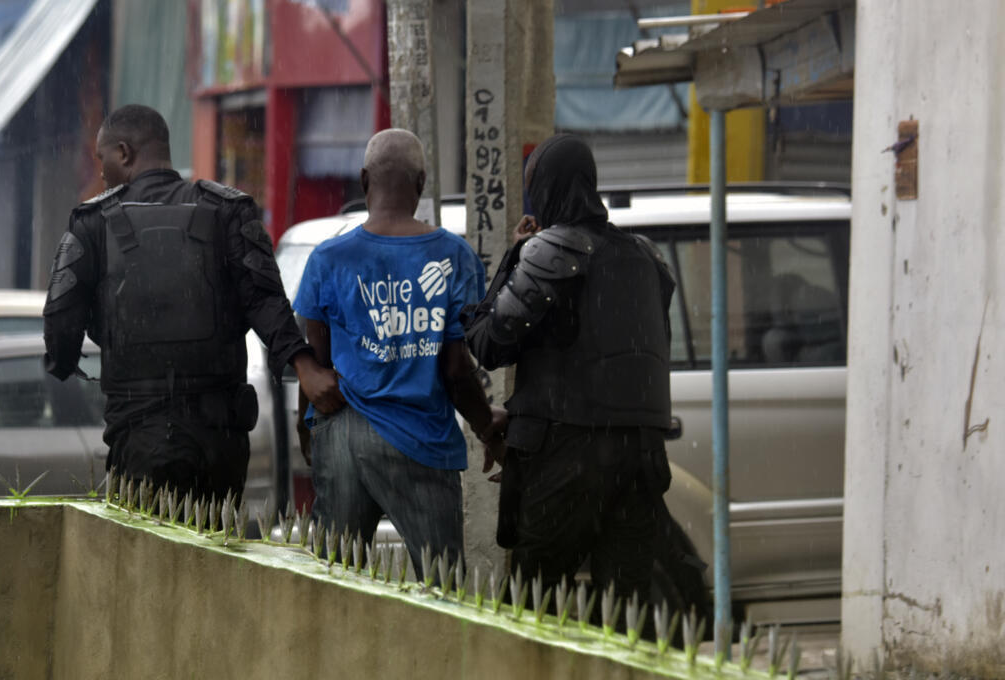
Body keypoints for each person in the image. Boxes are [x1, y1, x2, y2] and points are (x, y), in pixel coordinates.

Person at [43, 104, 342, 504]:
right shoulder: (228, 211)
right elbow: (266, 300)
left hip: (139, 434)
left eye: (103, 159)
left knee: (146, 559)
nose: (100, 172)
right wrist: (304, 365)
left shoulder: (92, 223)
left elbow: (61, 321)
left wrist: (63, 362)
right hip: (220, 439)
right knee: (212, 555)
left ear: (125, 154)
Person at [462, 133, 676, 605]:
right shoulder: (647, 257)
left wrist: (515, 255)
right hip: (641, 460)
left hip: (567, 464)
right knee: (626, 621)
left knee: (533, 614)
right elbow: (636, 355)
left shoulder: (549, 252)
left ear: (545, 189)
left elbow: (488, 343)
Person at [292, 128, 507, 573]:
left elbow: (316, 359)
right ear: (422, 183)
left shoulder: (328, 258)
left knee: (335, 581)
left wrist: (305, 428)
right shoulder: (453, 257)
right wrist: (487, 427)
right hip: (421, 439)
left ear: (364, 180)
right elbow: (455, 370)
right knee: (440, 586)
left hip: (343, 431)